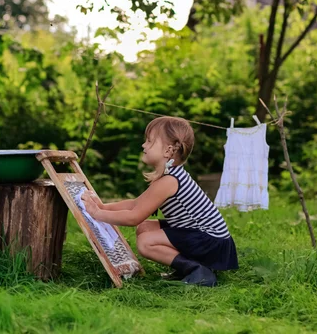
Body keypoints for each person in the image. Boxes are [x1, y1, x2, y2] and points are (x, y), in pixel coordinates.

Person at [81, 116, 238, 286]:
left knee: (145, 243)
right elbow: (136, 204)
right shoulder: (170, 176)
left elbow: (134, 217)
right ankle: (185, 268)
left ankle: (198, 271)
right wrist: (104, 207)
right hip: (205, 236)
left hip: (211, 242)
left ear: (168, 151)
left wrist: (97, 213)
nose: (144, 145)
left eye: (149, 141)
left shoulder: (169, 181)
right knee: (145, 228)